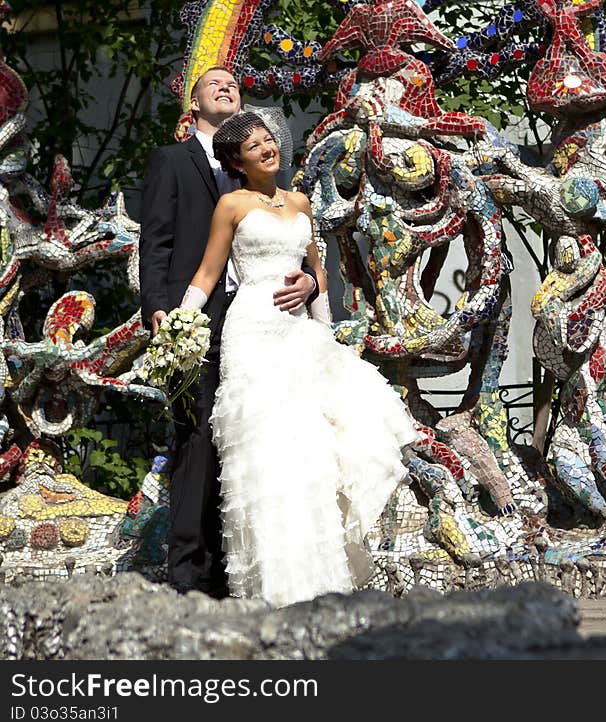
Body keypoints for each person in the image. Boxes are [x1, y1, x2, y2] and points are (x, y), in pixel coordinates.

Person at [179, 111, 417, 606]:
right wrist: (180, 326)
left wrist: (320, 315)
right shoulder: (231, 204)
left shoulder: (301, 201)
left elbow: (317, 274)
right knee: (264, 451)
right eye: (253, 146)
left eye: (269, 139)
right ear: (236, 162)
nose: (267, 148)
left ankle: (320, 583)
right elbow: (207, 274)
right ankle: (273, 589)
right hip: (251, 332)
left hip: (296, 334)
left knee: (311, 448)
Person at [138, 68, 319, 598]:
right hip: (197, 321)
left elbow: (306, 251)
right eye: (212, 82)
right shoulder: (172, 161)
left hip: (268, 323)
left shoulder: (270, 181)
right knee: (197, 438)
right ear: (191, 103)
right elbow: (157, 242)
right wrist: (162, 313)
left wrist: (308, 283)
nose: (225, 85)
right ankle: (188, 574)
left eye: (232, 82)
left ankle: (246, 562)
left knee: (259, 438)